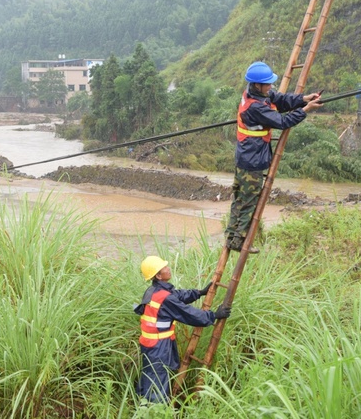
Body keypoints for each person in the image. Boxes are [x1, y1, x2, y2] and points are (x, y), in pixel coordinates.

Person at [225, 61, 323, 252]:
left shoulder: (256, 95)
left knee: (240, 198)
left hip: (246, 156)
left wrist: (304, 99)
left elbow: (281, 100)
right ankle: (237, 240)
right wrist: (306, 110)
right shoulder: (256, 107)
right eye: (267, 84)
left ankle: (231, 235)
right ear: (256, 85)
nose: (271, 87)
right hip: (251, 161)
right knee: (248, 201)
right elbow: (283, 121)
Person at [134, 255, 231, 403]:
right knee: (157, 380)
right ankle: (154, 410)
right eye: (164, 268)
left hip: (151, 344)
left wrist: (199, 292)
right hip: (158, 346)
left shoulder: (154, 290)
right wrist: (214, 315)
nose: (168, 268)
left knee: (150, 375)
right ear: (159, 275)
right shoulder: (164, 298)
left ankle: (142, 403)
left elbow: (177, 296)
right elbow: (187, 313)